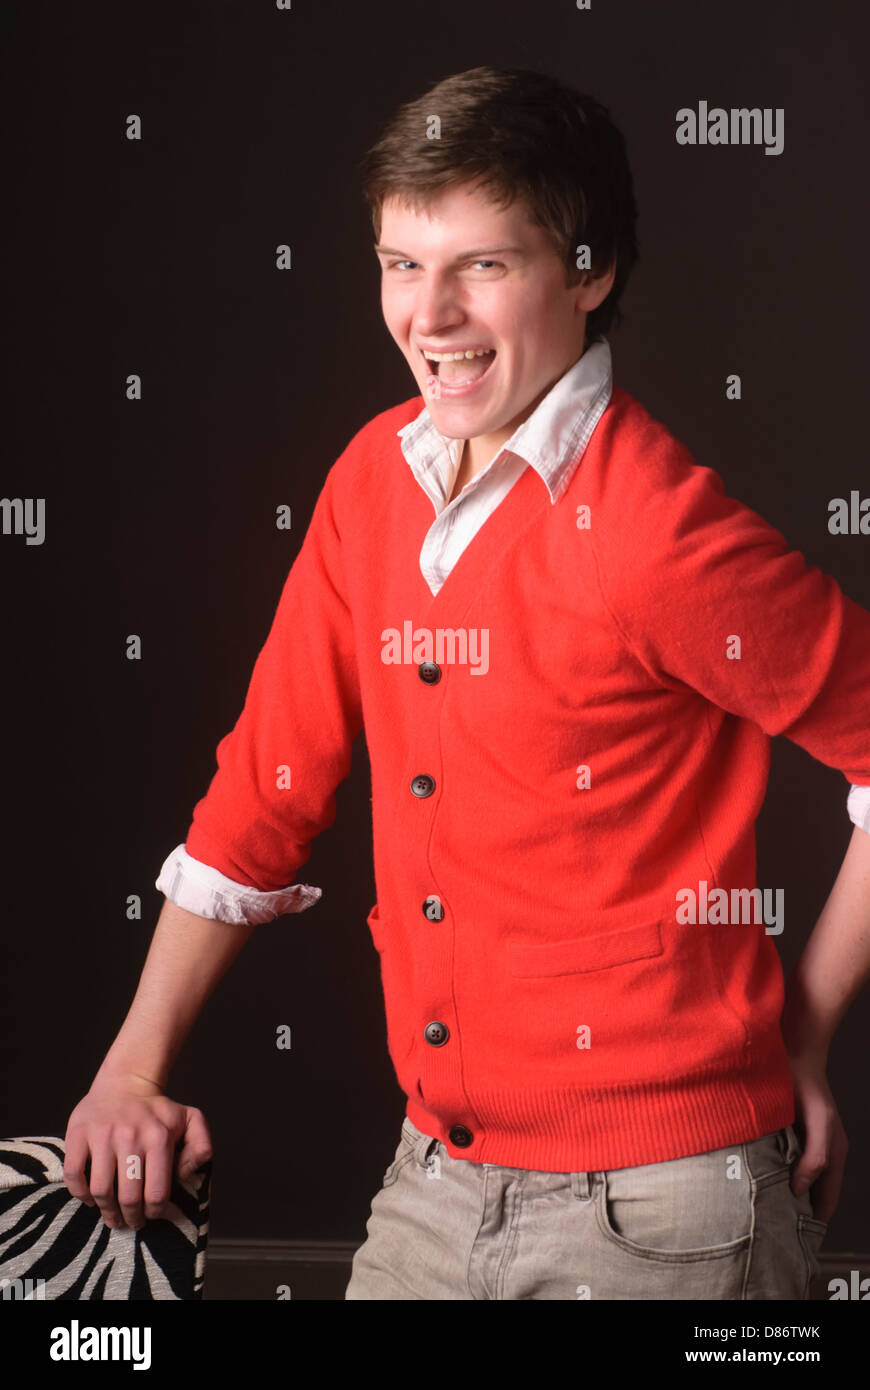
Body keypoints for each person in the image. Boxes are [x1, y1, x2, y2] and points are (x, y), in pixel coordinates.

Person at [64, 66, 870, 1300]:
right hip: (433, 1186)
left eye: (483, 266)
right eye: (400, 263)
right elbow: (262, 801)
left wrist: (799, 1035)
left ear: (590, 273)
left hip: (671, 1214)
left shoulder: (654, 529)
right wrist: (131, 1065)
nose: (429, 314)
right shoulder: (367, 486)